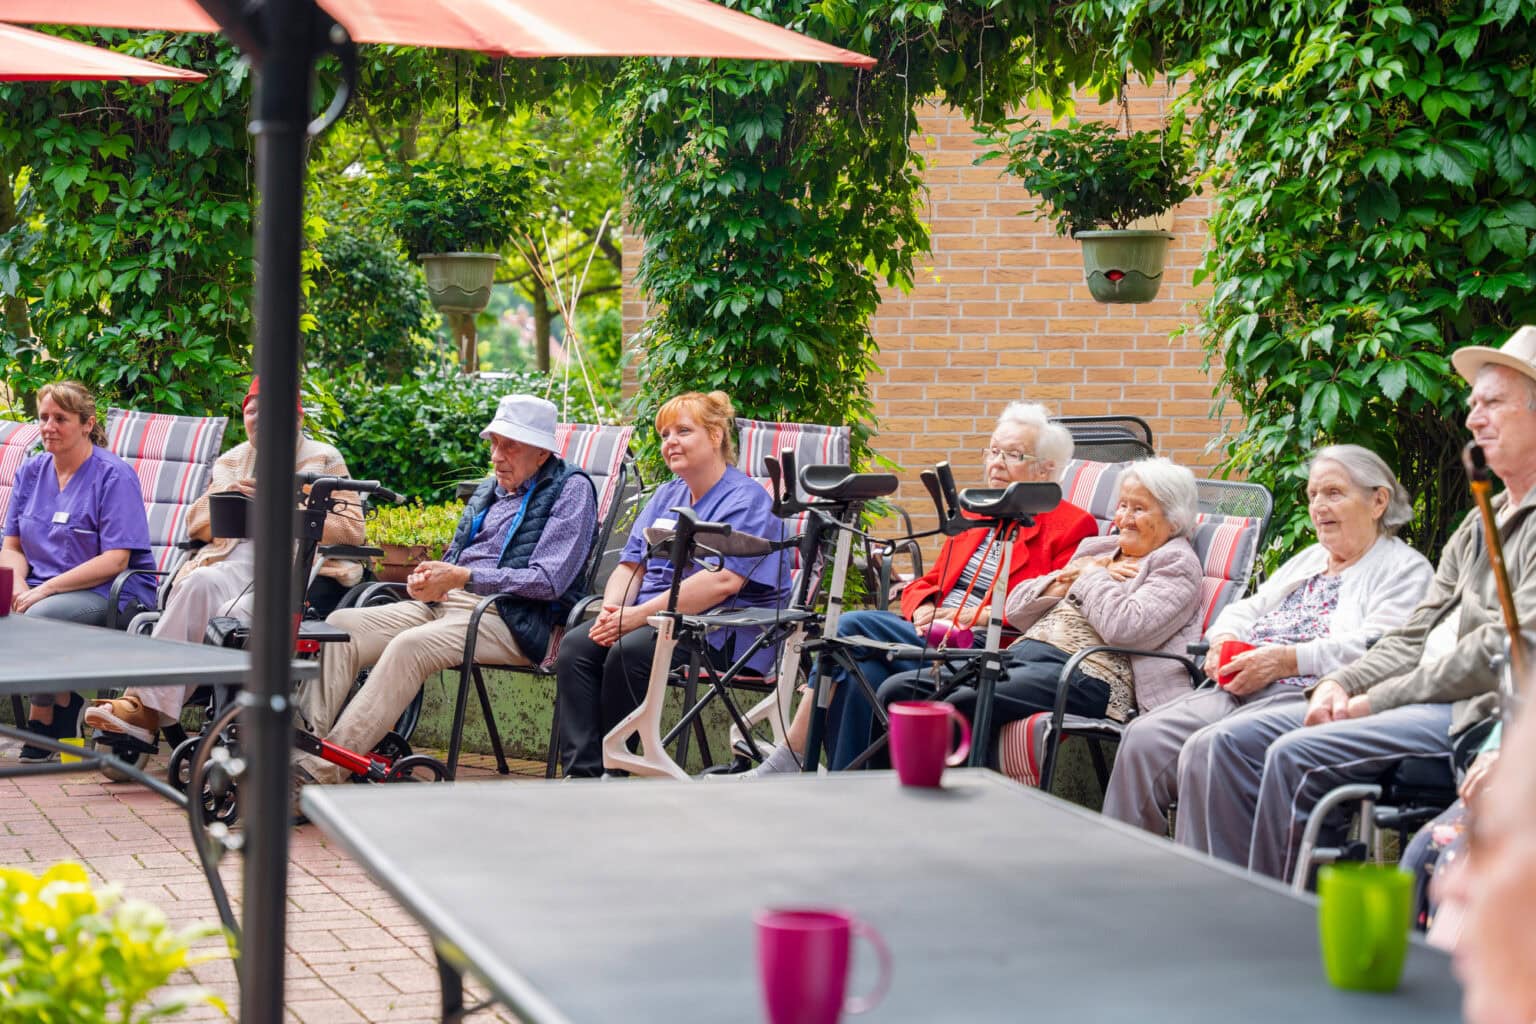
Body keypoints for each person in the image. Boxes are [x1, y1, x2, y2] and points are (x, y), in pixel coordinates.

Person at [1175, 325, 1536, 881]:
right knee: (1228, 743)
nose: (1472, 419)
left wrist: (1371, 698)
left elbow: (1507, 647)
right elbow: (1413, 633)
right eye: (1472, 405)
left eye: (1492, 404)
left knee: (1294, 754)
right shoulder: (1476, 524)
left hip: (1473, 712)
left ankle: (1279, 919)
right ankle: (1220, 900)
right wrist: (1342, 683)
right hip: (1413, 696)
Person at [740, 402, 1097, 775]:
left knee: (847, 627)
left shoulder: (1072, 525)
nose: (996, 463)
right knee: (863, 675)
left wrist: (969, 617)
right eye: (992, 451)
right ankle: (846, 793)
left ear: (1046, 469)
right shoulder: (976, 512)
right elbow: (929, 583)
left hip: (987, 647)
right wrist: (925, 608)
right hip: (932, 634)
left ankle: (791, 755)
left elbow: (1047, 609)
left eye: (1013, 454)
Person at [1102, 445, 1433, 837]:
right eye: (1313, 495)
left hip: (1307, 695)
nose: (1318, 506)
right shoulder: (1312, 558)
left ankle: (1210, 872)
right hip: (1242, 684)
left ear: (1378, 501)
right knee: (1144, 738)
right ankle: (1126, 864)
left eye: (1333, 493)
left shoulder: (1404, 569)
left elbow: (1379, 648)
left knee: (1208, 748)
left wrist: (1287, 660)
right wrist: (1224, 638)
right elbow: (1247, 608)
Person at [292, 394, 597, 787]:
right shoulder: (489, 491)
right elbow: (456, 560)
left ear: (541, 452)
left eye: (510, 446)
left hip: (514, 618)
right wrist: (429, 581)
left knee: (410, 646)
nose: (496, 457)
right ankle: (299, 754)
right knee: (341, 626)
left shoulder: (572, 490)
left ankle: (317, 776)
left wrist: (462, 577)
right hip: (448, 606)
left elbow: (549, 580)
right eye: (494, 444)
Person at [84, 376, 365, 747]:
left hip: (295, 569)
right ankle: (143, 708)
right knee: (195, 584)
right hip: (236, 559)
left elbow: (351, 530)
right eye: (252, 411)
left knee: (236, 613)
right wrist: (226, 497)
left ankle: (214, 719)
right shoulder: (233, 461)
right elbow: (195, 523)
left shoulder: (323, 458)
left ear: (295, 418)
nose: (259, 418)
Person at [878, 457, 1204, 763]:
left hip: (1088, 674)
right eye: (1122, 506)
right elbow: (1017, 607)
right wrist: (1068, 580)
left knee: (965, 701)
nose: (1124, 518)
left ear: (1173, 517)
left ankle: (959, 802)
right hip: (1027, 655)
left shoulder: (1176, 562)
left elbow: (1126, 628)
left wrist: (1090, 575)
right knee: (900, 690)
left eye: (1139, 508)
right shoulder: (1100, 548)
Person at [555, 391, 790, 778]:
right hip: (652, 621)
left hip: (716, 630)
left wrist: (635, 618)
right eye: (665, 435)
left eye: (683, 431)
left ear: (715, 435)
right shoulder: (667, 494)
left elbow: (722, 582)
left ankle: (613, 769)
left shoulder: (747, 500)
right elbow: (631, 565)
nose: (670, 442)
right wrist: (614, 610)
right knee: (578, 646)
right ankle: (583, 773)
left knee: (629, 651)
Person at [2, 381, 156, 762]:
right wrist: (17, 584)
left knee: (36, 618)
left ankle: (42, 718)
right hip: (39, 589)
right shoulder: (31, 471)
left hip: (113, 593)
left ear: (87, 424)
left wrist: (44, 590)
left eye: (61, 419)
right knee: (27, 610)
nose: (48, 427)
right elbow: (12, 547)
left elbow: (116, 560)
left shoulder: (113, 476)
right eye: (43, 418)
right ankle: (64, 702)